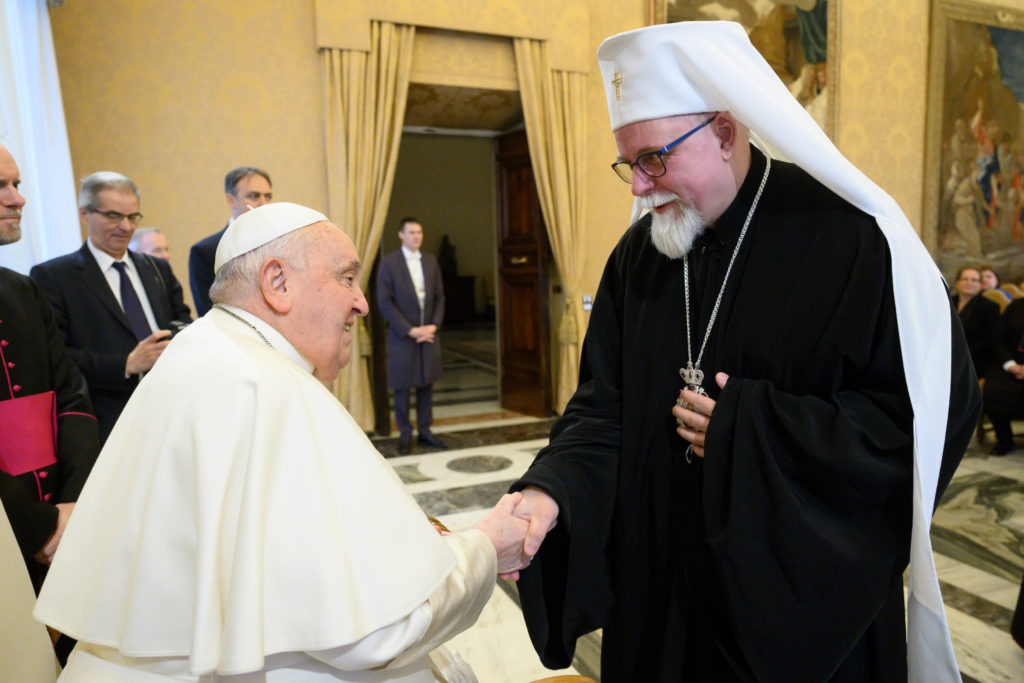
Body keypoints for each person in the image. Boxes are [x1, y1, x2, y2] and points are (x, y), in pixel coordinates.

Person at [507, 22, 980, 681]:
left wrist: (749, 425)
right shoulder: (637, 261)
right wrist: (550, 489)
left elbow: (921, 421)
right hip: (661, 605)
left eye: (653, 158)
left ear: (726, 134)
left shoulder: (853, 242)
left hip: (799, 620)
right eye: (629, 163)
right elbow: (602, 407)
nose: (638, 187)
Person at [33, 202, 530, 681]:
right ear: (277, 282)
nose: (360, 301)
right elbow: (375, 631)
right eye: (345, 276)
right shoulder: (267, 388)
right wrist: (488, 546)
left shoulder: (203, 349)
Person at [0, 144, 99, 663]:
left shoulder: (22, 291)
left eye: (17, 185)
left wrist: (74, 505)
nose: (17, 199)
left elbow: (72, 397)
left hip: (62, 524)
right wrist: (40, 524)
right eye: (1, 187)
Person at [30, 172, 192, 443]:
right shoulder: (54, 276)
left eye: (133, 217)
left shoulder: (156, 268)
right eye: (114, 216)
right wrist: (125, 364)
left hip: (171, 409)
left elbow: (183, 320)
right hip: (109, 418)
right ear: (85, 214)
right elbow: (56, 355)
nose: (126, 227)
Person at [377, 217, 447, 454]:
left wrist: (433, 326)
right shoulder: (389, 263)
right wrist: (410, 329)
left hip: (428, 334)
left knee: (427, 385)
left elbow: (439, 296)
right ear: (401, 235)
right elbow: (384, 302)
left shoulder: (430, 261)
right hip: (402, 336)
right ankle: (405, 435)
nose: (416, 236)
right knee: (402, 389)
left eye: (419, 232)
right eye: (411, 232)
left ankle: (426, 432)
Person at [189, 166, 272, 316]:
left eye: (268, 196)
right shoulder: (205, 251)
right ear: (231, 200)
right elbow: (208, 312)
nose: (263, 204)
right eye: (254, 196)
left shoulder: (279, 242)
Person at [982, 297, 1024, 455]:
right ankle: (1005, 440)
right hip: (1011, 362)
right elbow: (998, 339)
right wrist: (1011, 365)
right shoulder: (1016, 306)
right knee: (993, 391)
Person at [952, 266, 1000, 378]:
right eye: (965, 279)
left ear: (980, 284)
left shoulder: (990, 307)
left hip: (974, 359)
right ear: (957, 282)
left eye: (974, 280)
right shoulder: (948, 301)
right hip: (947, 353)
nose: (969, 283)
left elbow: (990, 340)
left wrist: (962, 355)